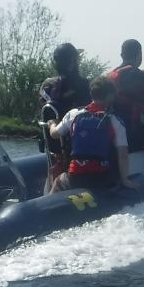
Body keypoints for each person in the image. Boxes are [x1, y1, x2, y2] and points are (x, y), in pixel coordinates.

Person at [47, 77, 139, 191]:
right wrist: (125, 180)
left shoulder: (73, 114)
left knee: (58, 181)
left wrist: (51, 123)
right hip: (101, 176)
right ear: (110, 96)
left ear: (92, 94)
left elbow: (54, 134)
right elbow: (123, 155)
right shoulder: (115, 121)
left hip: (76, 177)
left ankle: (49, 204)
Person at [39, 43, 91, 193]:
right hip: (77, 145)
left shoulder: (46, 85)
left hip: (52, 144)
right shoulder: (85, 85)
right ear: (74, 61)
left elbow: (42, 107)